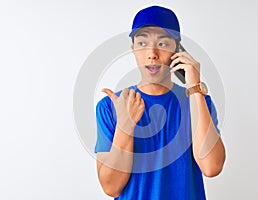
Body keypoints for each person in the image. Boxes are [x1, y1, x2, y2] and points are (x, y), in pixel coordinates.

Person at [94, 5, 226, 200]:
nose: (152, 53)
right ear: (133, 49)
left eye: (163, 44)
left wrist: (195, 87)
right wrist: (125, 126)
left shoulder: (198, 101)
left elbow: (211, 167)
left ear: (177, 49)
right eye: (142, 43)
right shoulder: (111, 106)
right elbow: (111, 187)